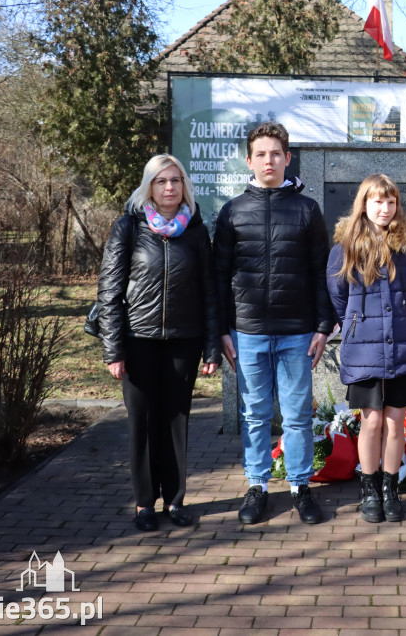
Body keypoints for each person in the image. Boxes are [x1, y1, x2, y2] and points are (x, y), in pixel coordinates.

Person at [214, 122, 334, 525]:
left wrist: (322, 325)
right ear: (249, 161)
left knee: (298, 413)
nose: (269, 160)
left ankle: (300, 487)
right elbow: (218, 277)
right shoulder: (232, 212)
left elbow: (322, 271)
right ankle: (257, 486)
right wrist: (220, 331)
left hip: (297, 331)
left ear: (287, 158)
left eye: (276, 153)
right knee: (254, 414)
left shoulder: (306, 210)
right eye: (261, 154)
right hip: (247, 332)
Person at [97, 153, 221, 532]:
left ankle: (175, 500)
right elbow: (109, 291)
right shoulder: (128, 228)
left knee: (176, 421)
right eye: (161, 181)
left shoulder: (197, 231)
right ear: (148, 187)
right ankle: (143, 503)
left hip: (184, 342)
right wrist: (113, 349)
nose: (169, 188)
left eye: (175, 181)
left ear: (185, 186)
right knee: (142, 423)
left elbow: (210, 293)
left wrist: (212, 346)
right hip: (138, 341)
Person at [326, 175, 406, 523]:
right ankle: (368, 487)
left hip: (402, 345)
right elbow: (339, 295)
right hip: (365, 348)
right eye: (377, 202)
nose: (385, 209)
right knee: (371, 423)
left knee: (396, 423)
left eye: (391, 202)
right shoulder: (345, 246)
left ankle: (390, 487)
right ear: (364, 204)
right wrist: (356, 323)